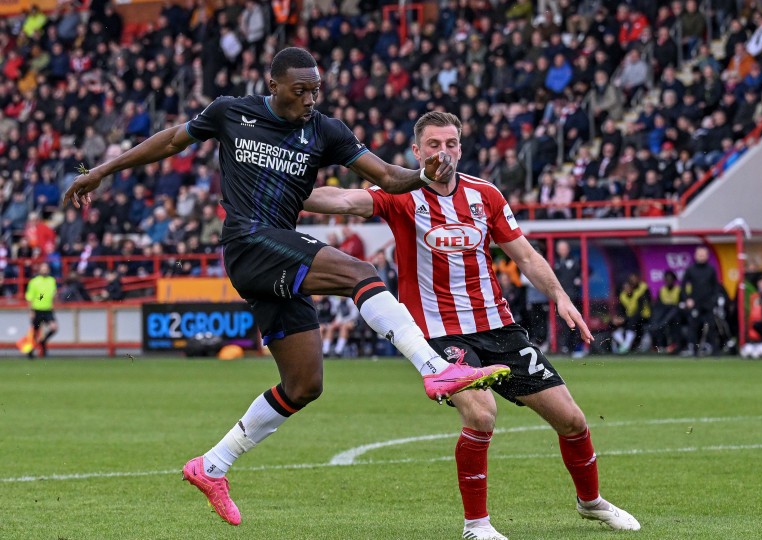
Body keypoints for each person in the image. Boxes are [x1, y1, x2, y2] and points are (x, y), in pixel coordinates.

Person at [62, 48, 510, 526]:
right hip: (248, 242)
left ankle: (212, 466)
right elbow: (171, 141)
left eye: (316, 90)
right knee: (360, 273)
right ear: (273, 85)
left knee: (304, 384)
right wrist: (102, 171)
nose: (310, 99)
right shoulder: (231, 112)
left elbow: (386, 177)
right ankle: (433, 367)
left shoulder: (325, 131)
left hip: (279, 249)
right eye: (300, 91)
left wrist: (423, 174)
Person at [304, 111, 641, 539]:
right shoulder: (402, 195)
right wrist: (287, 194)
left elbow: (526, 256)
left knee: (572, 420)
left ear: (460, 148)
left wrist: (559, 296)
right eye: (432, 145)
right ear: (416, 152)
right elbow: (344, 200)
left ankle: (591, 503)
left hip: (499, 327)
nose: (442, 152)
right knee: (482, 413)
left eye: (450, 144)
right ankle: (476, 526)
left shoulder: (486, 195)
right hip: (439, 334)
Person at [680, 247, 723, 356]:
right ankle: (694, 350)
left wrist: (714, 300)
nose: (701, 257)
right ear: (695, 256)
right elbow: (683, 286)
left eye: (703, 255)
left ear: (707, 256)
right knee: (693, 327)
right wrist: (687, 299)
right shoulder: (691, 269)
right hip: (695, 303)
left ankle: (715, 350)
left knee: (711, 327)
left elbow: (716, 287)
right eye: (699, 255)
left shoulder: (711, 269)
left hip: (708, 303)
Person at [24, 262, 58, 358]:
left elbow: (53, 293)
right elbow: (30, 297)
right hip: (37, 309)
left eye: (46, 268)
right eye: (43, 268)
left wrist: (54, 300)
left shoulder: (51, 280)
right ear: (40, 270)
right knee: (35, 332)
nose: (44, 270)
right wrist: (31, 311)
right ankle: (31, 350)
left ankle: (43, 342)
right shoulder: (34, 282)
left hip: (47, 309)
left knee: (54, 328)